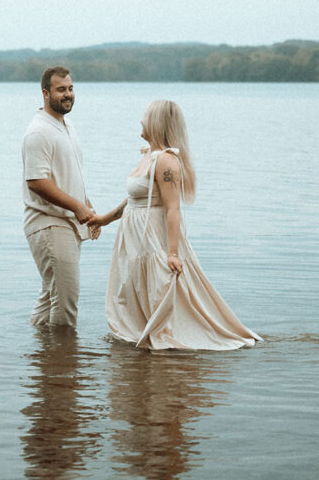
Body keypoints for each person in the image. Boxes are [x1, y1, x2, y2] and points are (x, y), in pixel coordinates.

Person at [89, 100, 261, 350]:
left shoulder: (166, 162)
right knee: (134, 289)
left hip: (155, 238)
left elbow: (173, 208)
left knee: (161, 286)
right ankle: (142, 338)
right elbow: (135, 199)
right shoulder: (147, 156)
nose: (141, 121)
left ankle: (168, 339)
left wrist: (172, 252)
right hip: (136, 240)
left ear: (157, 123)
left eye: (145, 116)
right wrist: (104, 219)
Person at [22, 66, 99, 328]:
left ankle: (44, 359)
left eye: (71, 88)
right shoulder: (38, 132)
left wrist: (86, 207)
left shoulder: (65, 125)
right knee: (65, 305)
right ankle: (63, 365)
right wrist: (76, 207)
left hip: (65, 222)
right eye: (61, 90)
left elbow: (68, 172)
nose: (68, 94)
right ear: (45, 93)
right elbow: (36, 181)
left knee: (50, 300)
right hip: (48, 224)